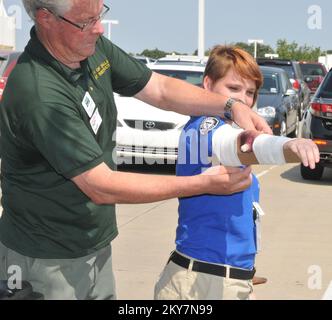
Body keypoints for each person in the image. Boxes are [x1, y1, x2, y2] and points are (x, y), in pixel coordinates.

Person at [0, 1, 272, 300]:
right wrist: (203, 183)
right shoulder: (40, 93)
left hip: (92, 244)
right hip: (47, 258)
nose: (99, 28)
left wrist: (230, 106)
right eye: (86, 21)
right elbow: (101, 185)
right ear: (45, 18)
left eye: (99, 14)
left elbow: (159, 89)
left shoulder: (91, 48)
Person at [154, 45, 320, 300]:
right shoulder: (205, 127)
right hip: (203, 283)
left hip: (228, 279)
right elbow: (239, 145)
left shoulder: (220, 125)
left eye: (250, 92)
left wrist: (244, 273)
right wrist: (287, 146)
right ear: (207, 85)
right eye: (233, 89)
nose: (243, 99)